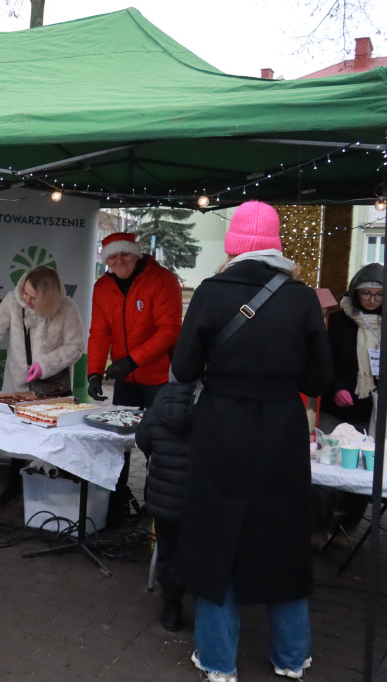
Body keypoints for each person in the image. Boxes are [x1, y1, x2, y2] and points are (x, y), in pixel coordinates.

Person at [171, 201, 332, 682]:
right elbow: (320, 378)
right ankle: (291, 655)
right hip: (281, 427)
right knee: (282, 534)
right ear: (276, 244)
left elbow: (182, 369)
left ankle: (219, 660)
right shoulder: (302, 298)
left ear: (234, 245)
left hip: (221, 424)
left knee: (216, 533)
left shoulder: (210, 292)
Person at [86, 231, 182, 525]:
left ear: (135, 253)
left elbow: (170, 330)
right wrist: (94, 372)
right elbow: (100, 333)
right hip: (126, 380)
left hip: (160, 379)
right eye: (112, 257)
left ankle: (156, 511)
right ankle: (116, 503)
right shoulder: (102, 287)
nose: (118, 261)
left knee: (159, 446)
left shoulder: (162, 280)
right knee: (119, 443)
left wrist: (131, 360)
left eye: (123, 254)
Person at [0, 265, 86, 505]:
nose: (25, 299)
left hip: (52, 387)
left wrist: (45, 364)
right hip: (19, 384)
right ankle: (14, 484)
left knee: (50, 440)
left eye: (33, 297)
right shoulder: (12, 303)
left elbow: (75, 347)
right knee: (18, 437)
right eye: (24, 292)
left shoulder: (66, 308)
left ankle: (50, 491)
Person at [315, 264, 381, 534]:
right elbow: (325, 359)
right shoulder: (340, 320)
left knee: (365, 472)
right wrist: (336, 388)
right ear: (355, 293)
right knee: (327, 467)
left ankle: (344, 528)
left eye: (379, 295)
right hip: (338, 406)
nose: (372, 300)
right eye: (366, 294)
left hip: (373, 410)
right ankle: (318, 527)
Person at [135, 379, 193, 633]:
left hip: (164, 496)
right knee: (204, 551)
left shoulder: (161, 399)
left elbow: (142, 440)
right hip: (201, 498)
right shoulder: (217, 400)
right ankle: (209, 612)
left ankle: (172, 608)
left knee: (168, 552)